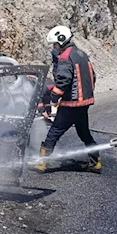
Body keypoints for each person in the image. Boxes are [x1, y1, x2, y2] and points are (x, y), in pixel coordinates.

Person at [34, 25, 101, 173]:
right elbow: (92, 76)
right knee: (84, 133)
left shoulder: (65, 57)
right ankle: (95, 162)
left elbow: (64, 80)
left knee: (54, 131)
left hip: (72, 103)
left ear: (61, 41)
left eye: (55, 44)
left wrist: (54, 98)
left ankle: (41, 162)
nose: (54, 47)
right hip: (85, 102)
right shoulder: (81, 54)